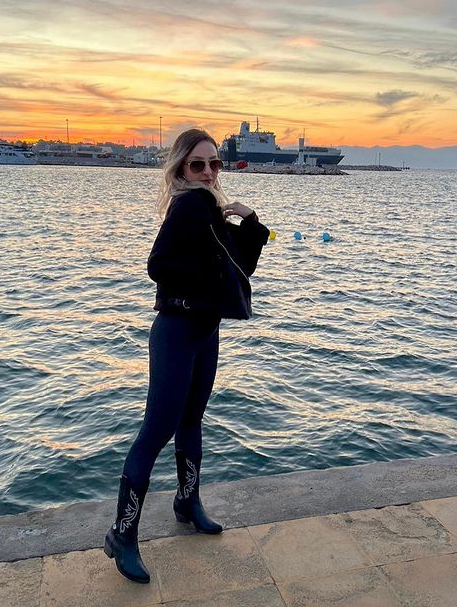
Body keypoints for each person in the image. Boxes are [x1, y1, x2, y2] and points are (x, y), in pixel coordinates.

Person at [104, 128, 270, 583]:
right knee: (155, 431)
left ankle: (187, 501)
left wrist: (251, 220)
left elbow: (240, 266)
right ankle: (122, 534)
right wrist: (204, 280)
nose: (208, 172)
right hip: (177, 330)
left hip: (204, 330)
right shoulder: (189, 205)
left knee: (192, 420)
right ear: (181, 168)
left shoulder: (210, 209)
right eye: (198, 164)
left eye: (215, 163)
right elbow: (158, 265)